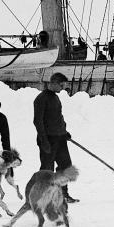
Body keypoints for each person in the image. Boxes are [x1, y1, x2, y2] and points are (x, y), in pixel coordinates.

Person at [33, 72, 79, 203]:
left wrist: (64, 132)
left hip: (60, 139)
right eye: (61, 85)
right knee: (47, 169)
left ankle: (62, 194)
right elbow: (38, 121)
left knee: (66, 166)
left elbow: (58, 118)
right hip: (48, 139)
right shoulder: (41, 99)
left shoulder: (56, 98)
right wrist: (44, 140)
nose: (63, 88)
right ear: (53, 83)